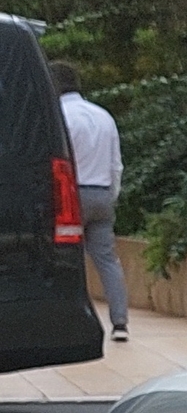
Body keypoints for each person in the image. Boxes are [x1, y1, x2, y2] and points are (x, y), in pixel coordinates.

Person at [52, 62, 127, 341]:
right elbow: (116, 164)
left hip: (71, 196)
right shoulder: (104, 116)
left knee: (66, 259)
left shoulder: (60, 116)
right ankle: (120, 323)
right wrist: (111, 196)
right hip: (103, 193)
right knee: (107, 260)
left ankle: (69, 320)